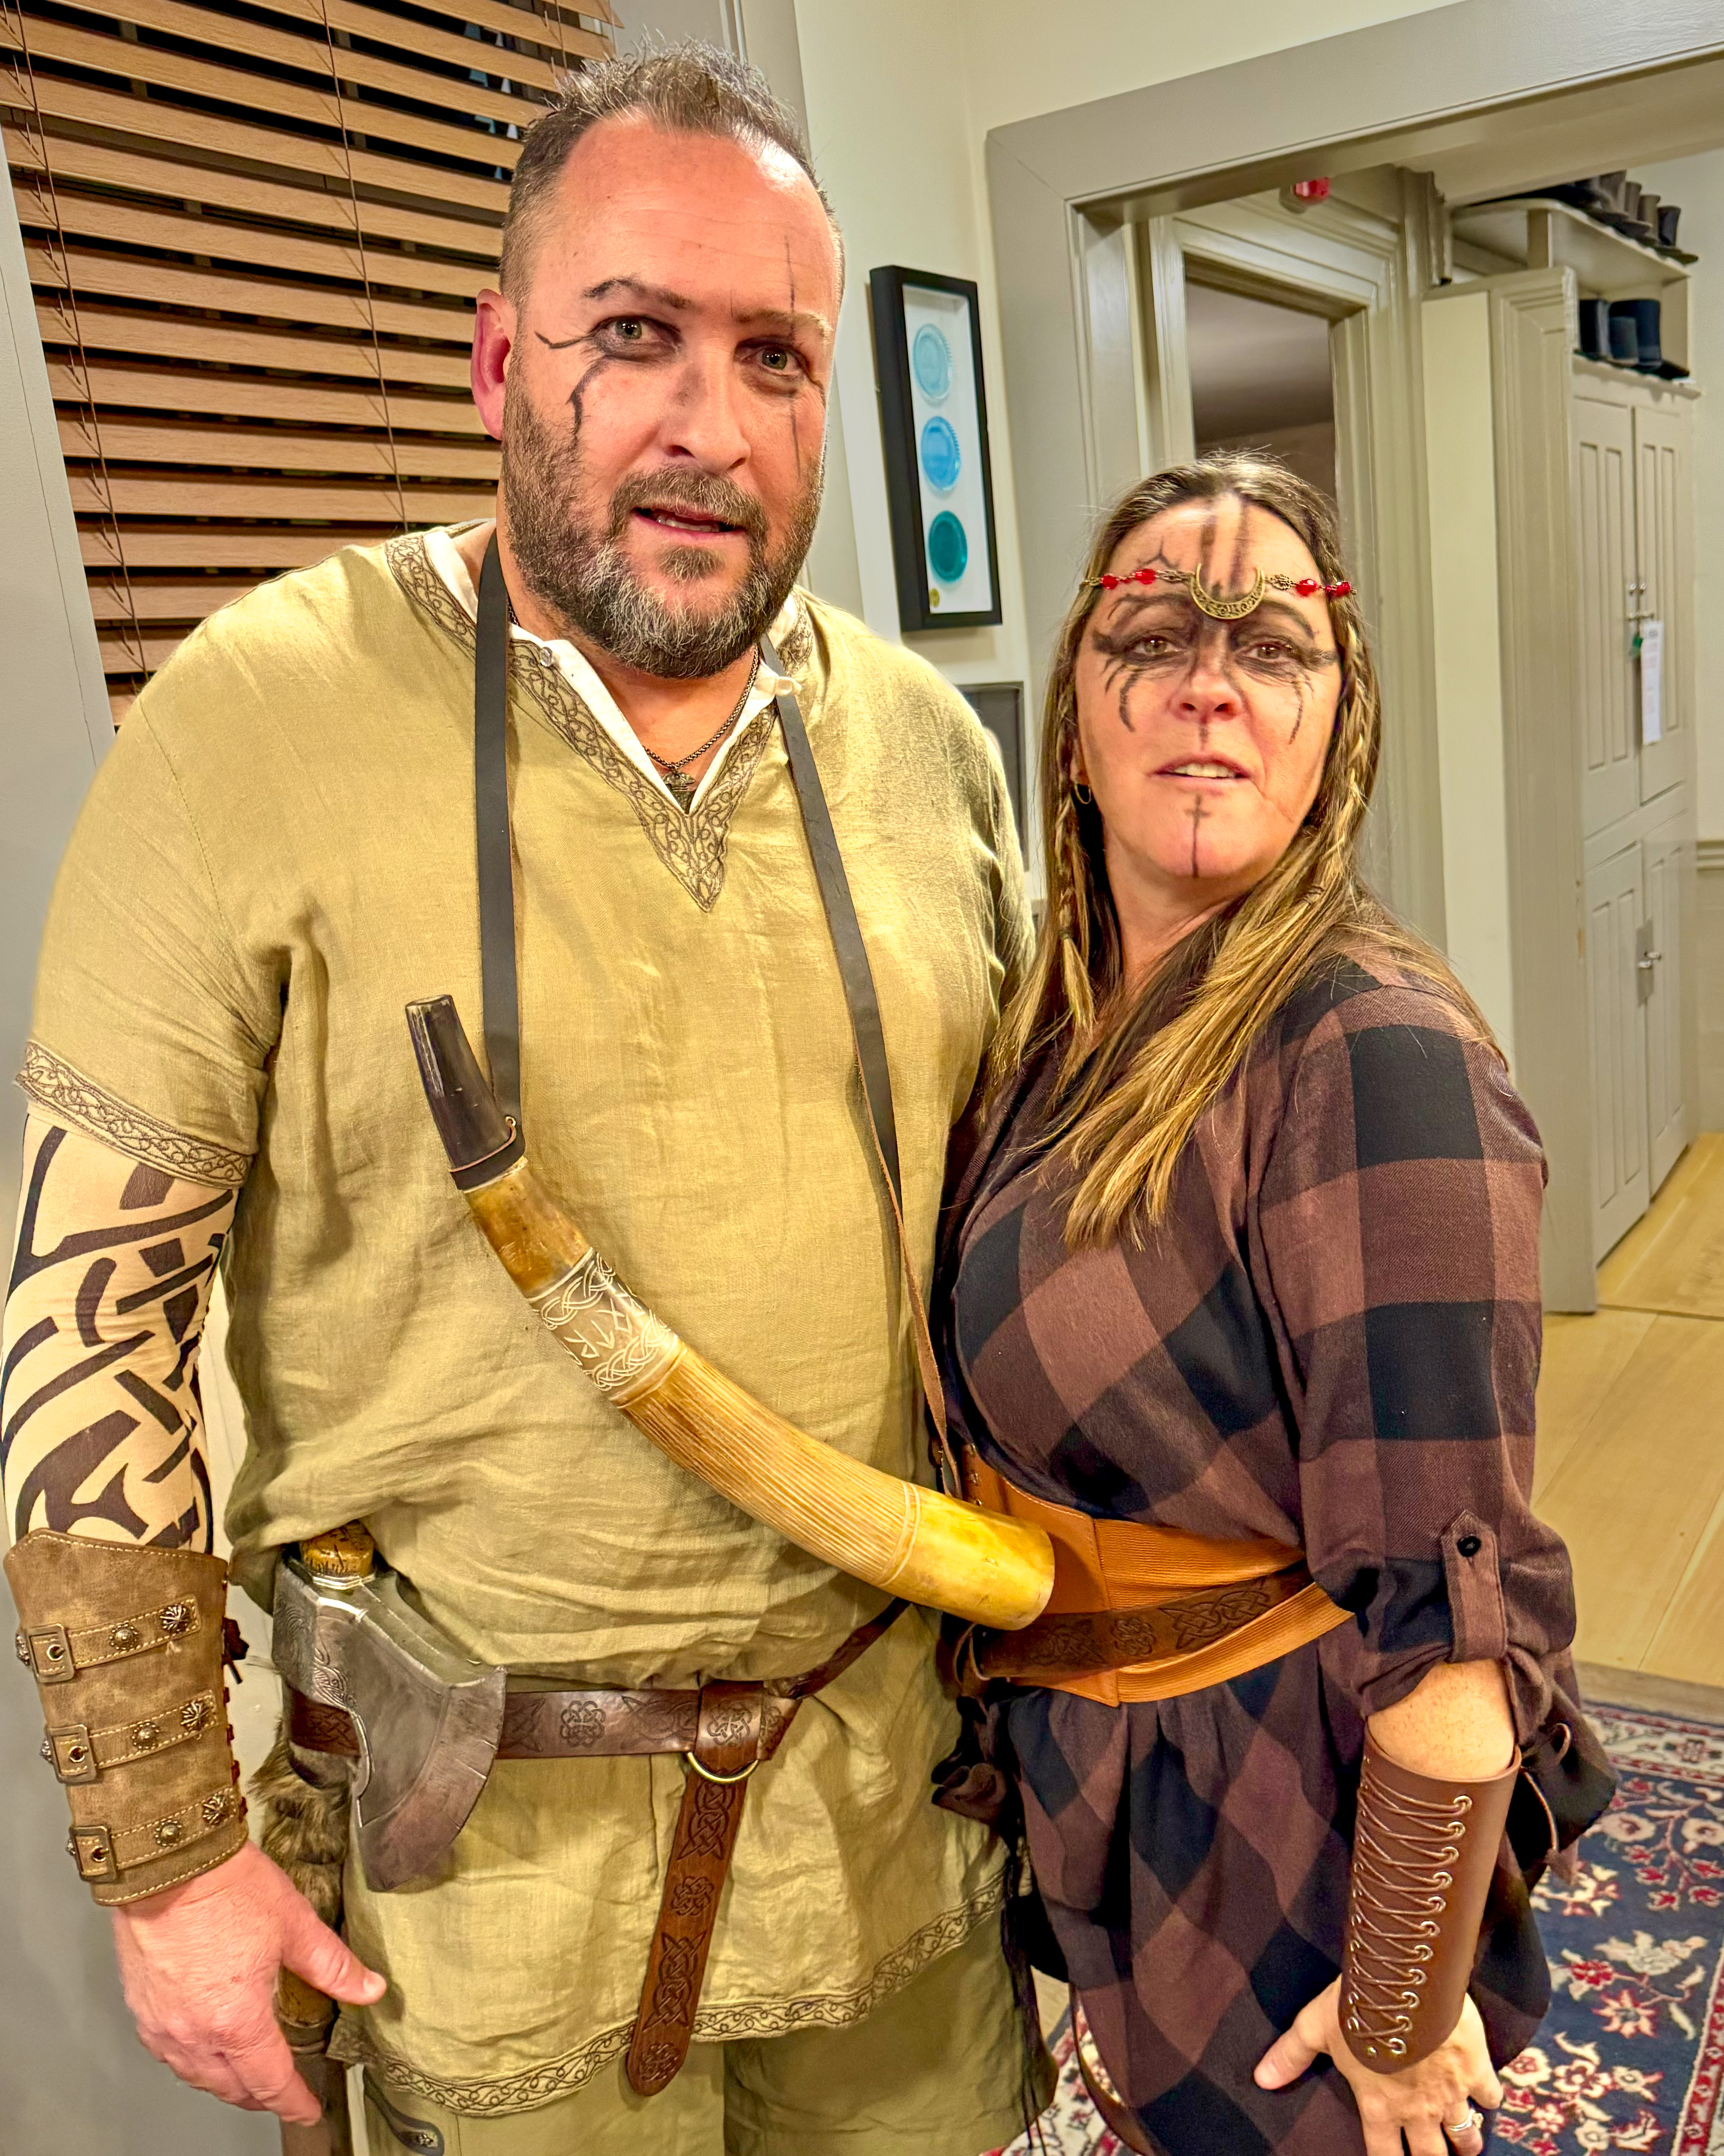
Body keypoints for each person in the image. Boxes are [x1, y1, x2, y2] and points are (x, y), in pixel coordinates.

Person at [2, 43, 1045, 2156]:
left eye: (774, 358)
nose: (708, 426)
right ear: (498, 360)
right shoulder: (252, 719)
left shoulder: (931, 754)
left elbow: (1036, 1248)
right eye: (633, 335)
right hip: (473, 1879)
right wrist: (166, 1854)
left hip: (896, 1818)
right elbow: (83, 1314)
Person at [931, 455, 1615, 2156]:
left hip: (1300, 1825)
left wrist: (1398, 2006)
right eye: (1152, 636)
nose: (1208, 686)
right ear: (1074, 718)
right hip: (1133, 1784)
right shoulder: (1064, 1025)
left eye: (1273, 650)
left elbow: (1456, 1620)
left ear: (1337, 730)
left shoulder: (1372, 1054)